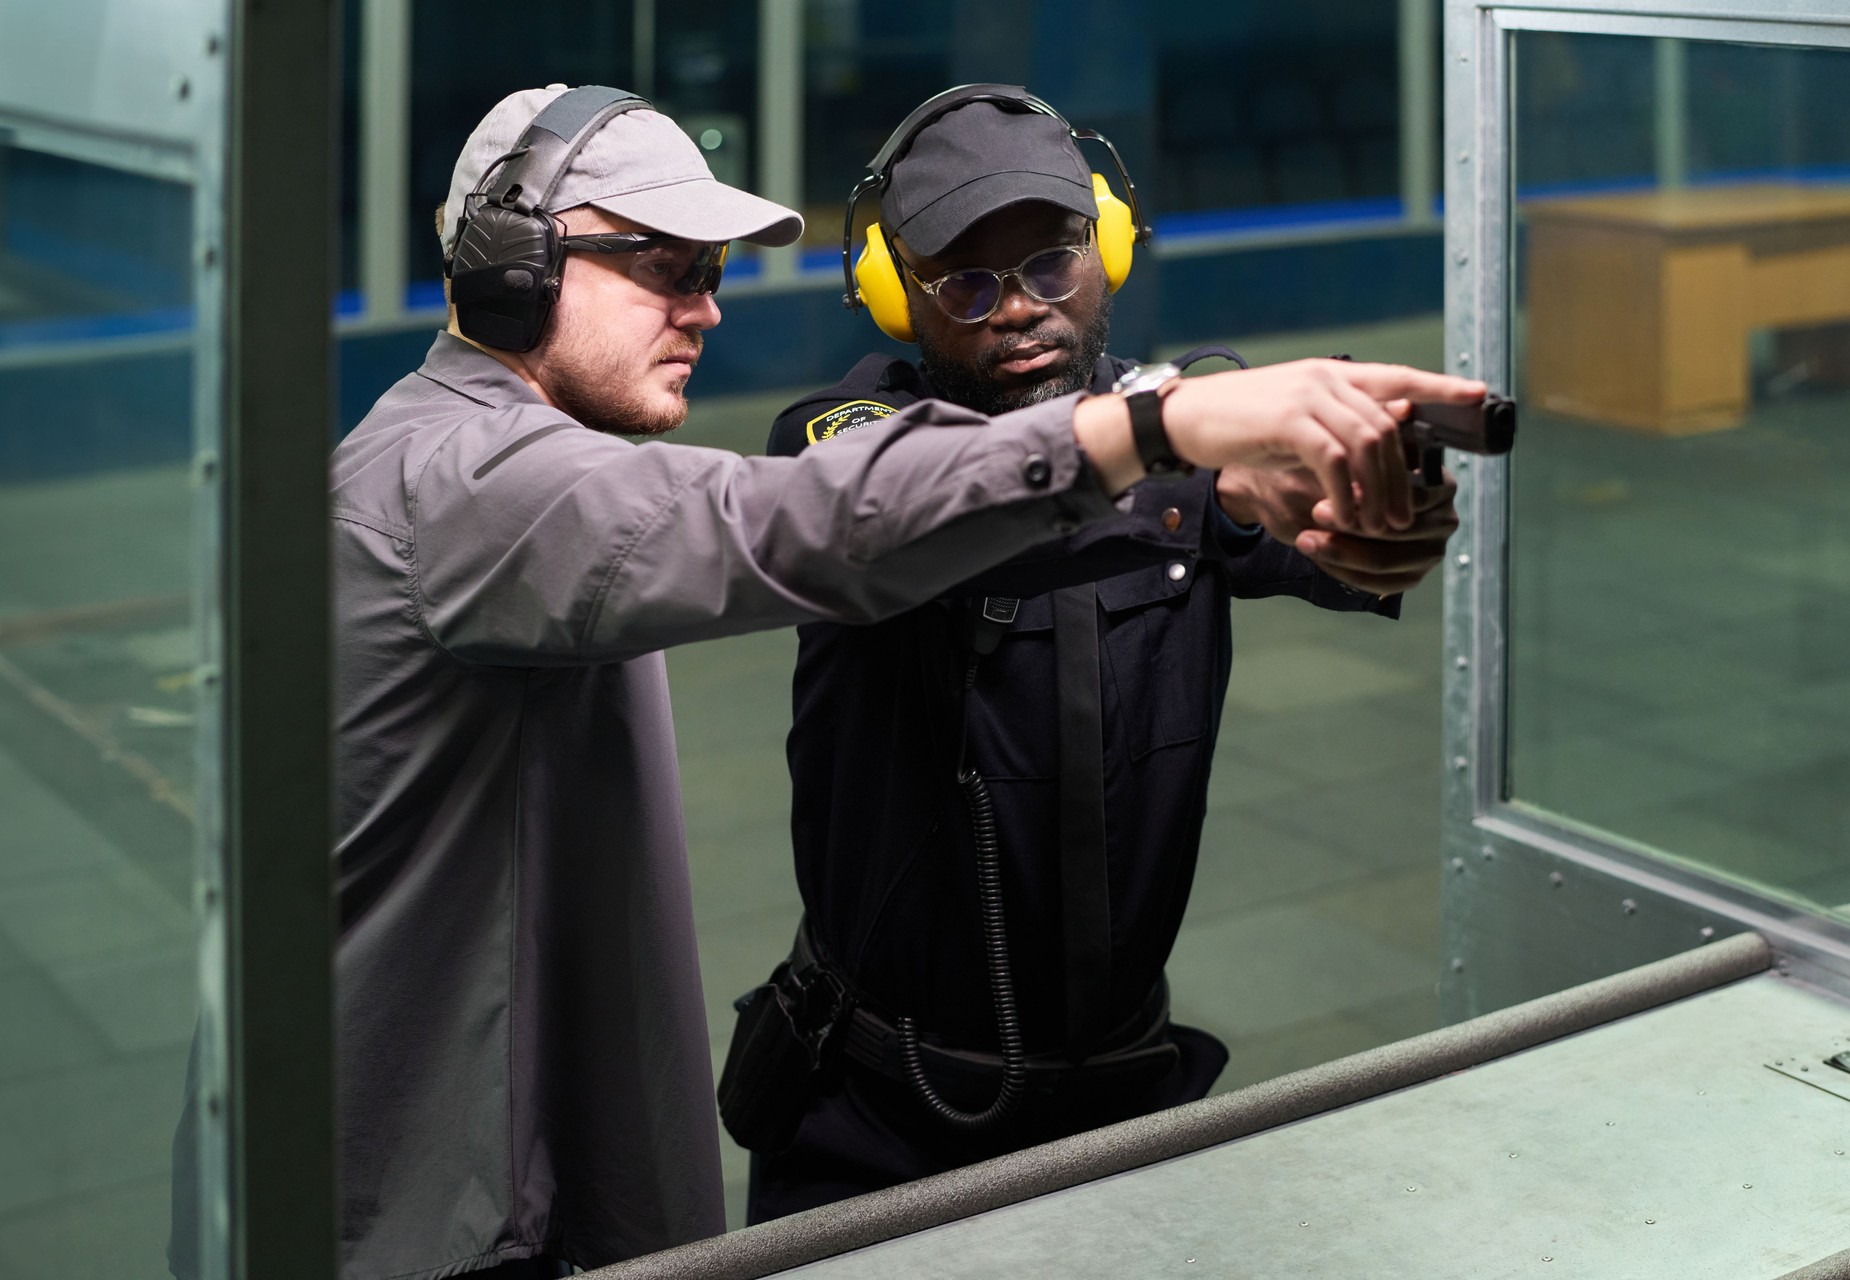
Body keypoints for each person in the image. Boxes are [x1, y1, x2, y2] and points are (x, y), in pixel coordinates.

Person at [171, 83, 1482, 1280]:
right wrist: (1169, 440)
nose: (707, 306)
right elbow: (816, 516)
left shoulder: (526, 467)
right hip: (426, 1223)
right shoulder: (473, 483)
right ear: (513, 271)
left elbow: (1267, 514)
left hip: (492, 1185)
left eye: (712, 269)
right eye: (662, 266)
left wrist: (1359, 496)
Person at [730, 87, 1463, 1223]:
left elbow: (1304, 533)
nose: (1016, 310)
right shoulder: (835, 445)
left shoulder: (1183, 431)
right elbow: (922, 514)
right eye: (965, 284)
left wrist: (1372, 505)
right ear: (894, 298)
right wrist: (1191, 471)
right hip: (882, 1115)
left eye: (1047, 265)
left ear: (1107, 250)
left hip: (1125, 1102)